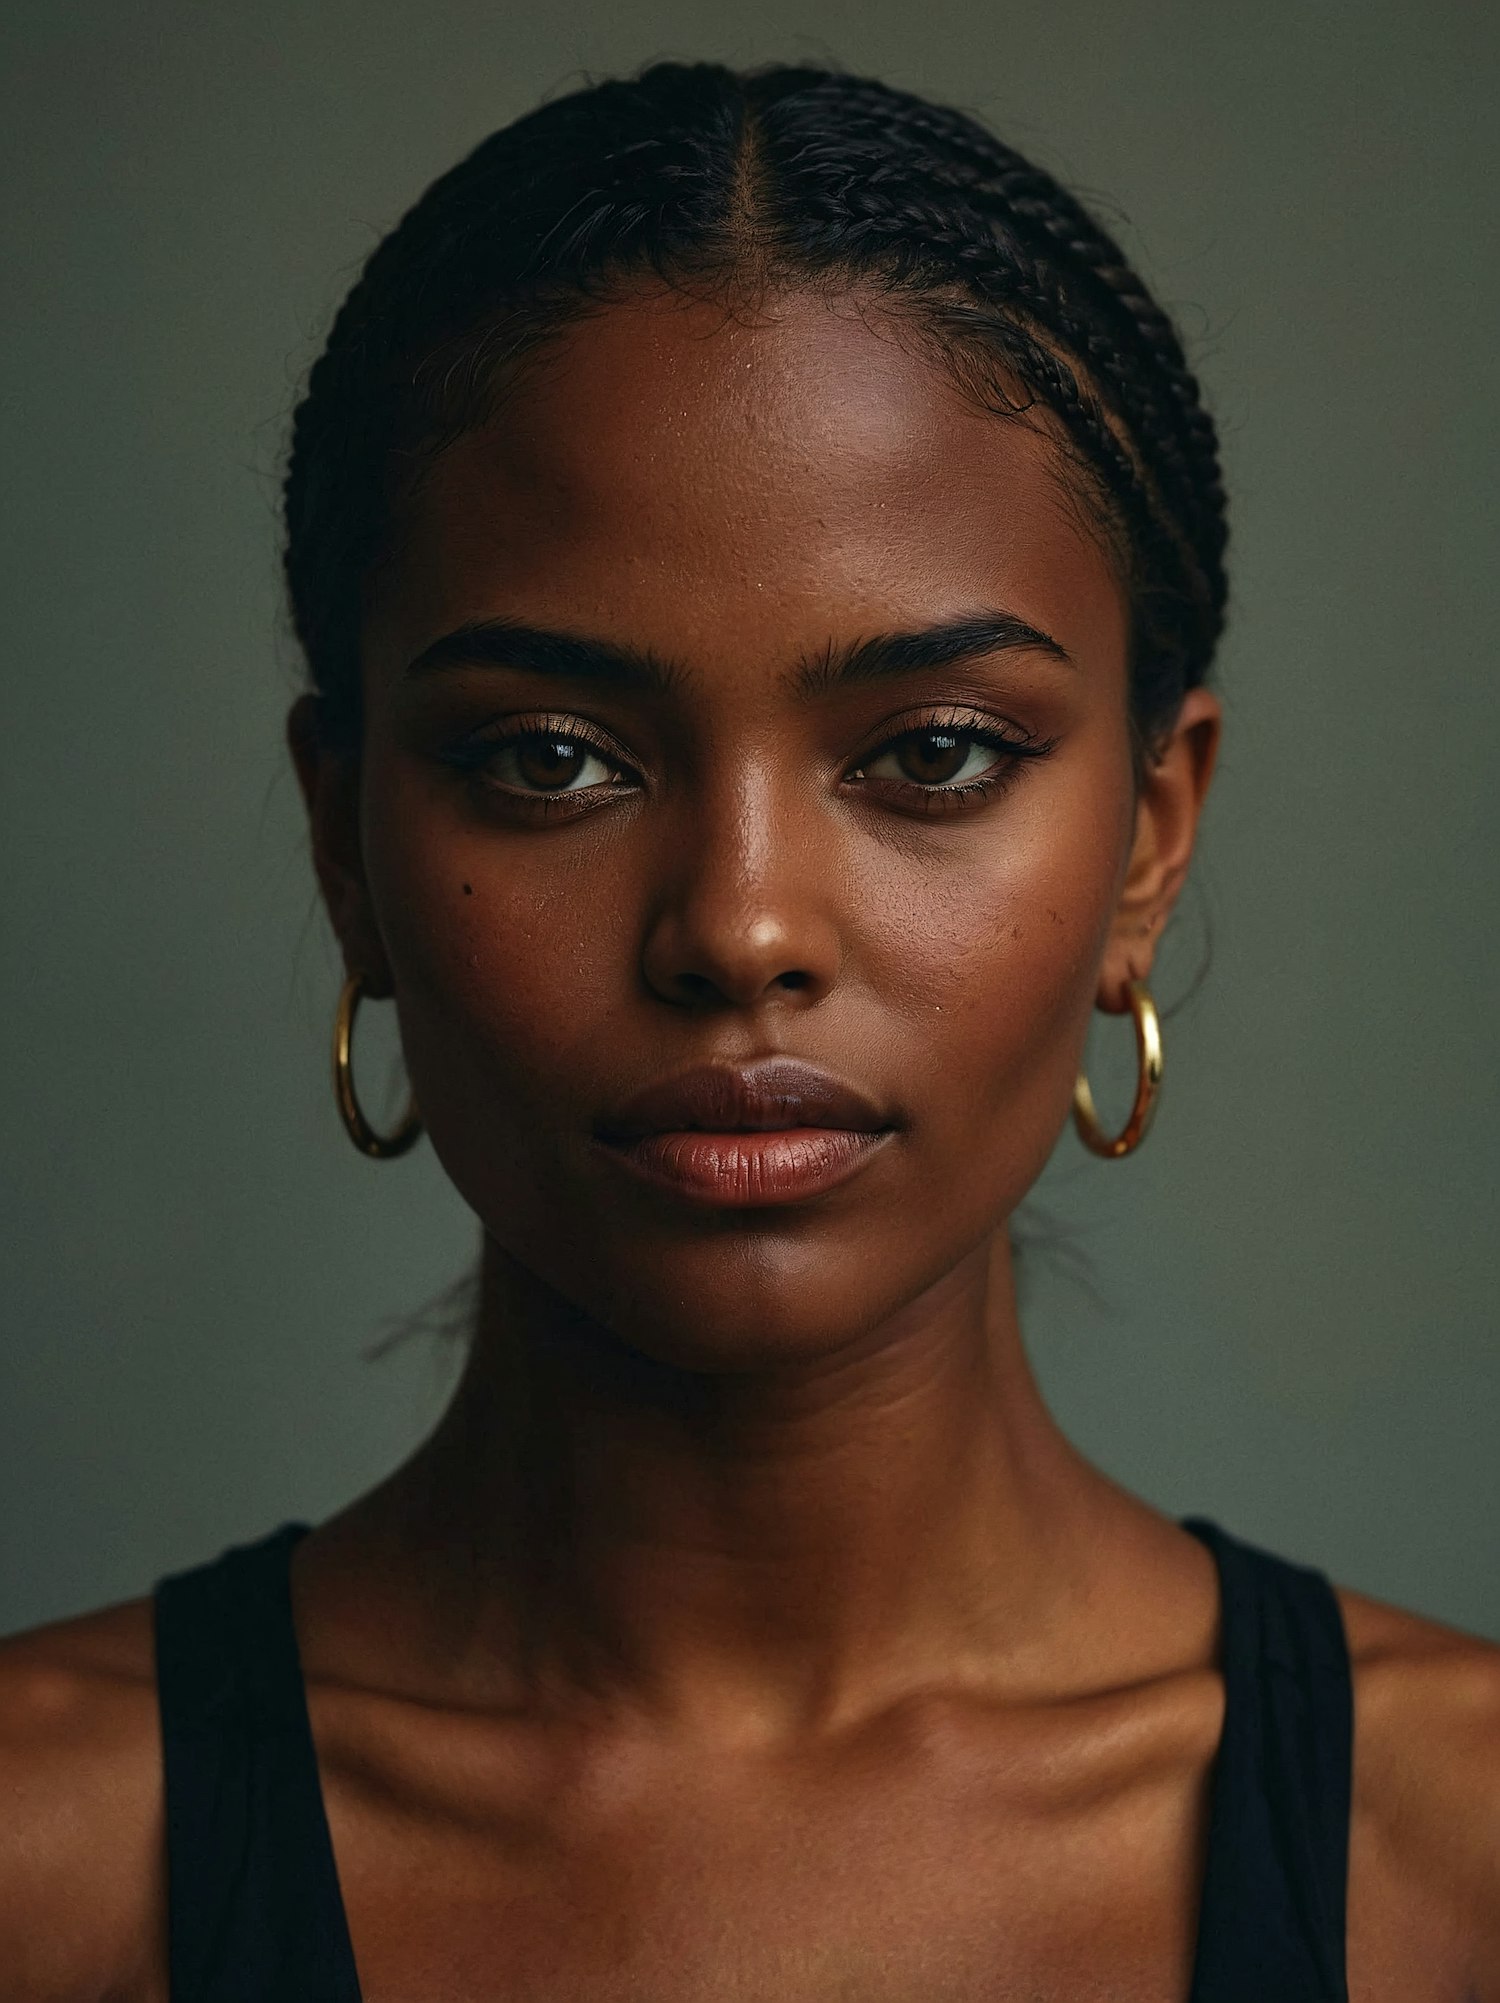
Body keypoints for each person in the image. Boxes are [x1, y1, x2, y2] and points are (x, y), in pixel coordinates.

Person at [1, 58, 1496, 2003]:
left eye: (933, 753)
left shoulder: (1458, 1870)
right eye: (551, 759)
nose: (739, 927)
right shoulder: (45, 1873)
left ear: (1149, 836)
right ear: (344, 842)